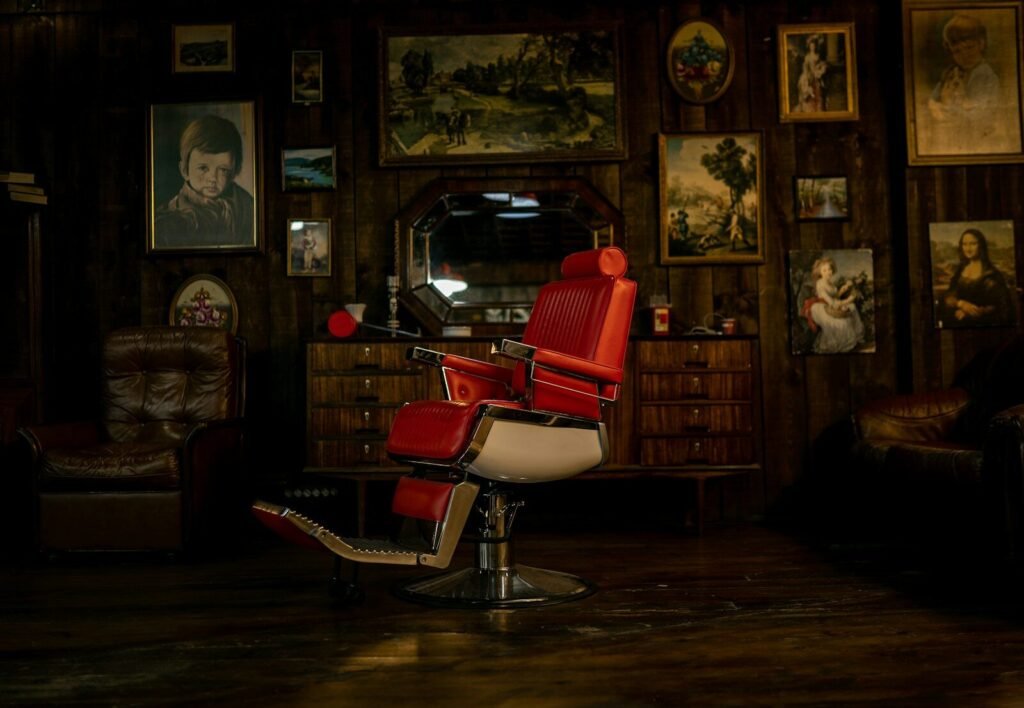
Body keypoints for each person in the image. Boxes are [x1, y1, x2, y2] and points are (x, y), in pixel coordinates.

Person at [155, 115, 254, 248]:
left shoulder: (246, 206)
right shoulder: (170, 219)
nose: (212, 178)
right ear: (185, 170)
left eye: (223, 170)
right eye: (203, 168)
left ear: (233, 172)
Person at [926, 14, 1018, 154]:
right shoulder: (952, 73)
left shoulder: (987, 76)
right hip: (952, 134)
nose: (964, 55)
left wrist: (953, 110)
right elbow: (934, 97)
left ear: (982, 44)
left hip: (979, 136)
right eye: (957, 51)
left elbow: (983, 113)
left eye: (969, 47)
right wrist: (935, 106)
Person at [937, 227, 1015, 327]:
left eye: (973, 244)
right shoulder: (961, 269)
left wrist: (973, 312)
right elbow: (949, 295)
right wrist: (960, 304)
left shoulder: (992, 275)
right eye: (964, 244)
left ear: (981, 246)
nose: (968, 249)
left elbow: (1002, 308)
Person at [800, 257, 865, 353]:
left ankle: (857, 336)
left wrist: (842, 290)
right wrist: (848, 300)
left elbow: (835, 297)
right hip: (820, 308)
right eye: (824, 270)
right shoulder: (820, 284)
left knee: (852, 307)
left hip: (829, 305)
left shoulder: (830, 282)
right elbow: (832, 303)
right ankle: (837, 345)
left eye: (829, 269)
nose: (828, 272)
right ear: (820, 272)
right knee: (840, 323)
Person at [796, 34, 827, 113]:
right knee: (808, 91)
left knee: (818, 91)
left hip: (816, 76)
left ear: (815, 46)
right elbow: (805, 67)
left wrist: (819, 71)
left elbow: (821, 65)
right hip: (809, 75)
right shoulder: (807, 57)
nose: (813, 47)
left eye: (814, 46)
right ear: (809, 47)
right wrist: (806, 76)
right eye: (811, 46)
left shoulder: (818, 56)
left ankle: (818, 109)